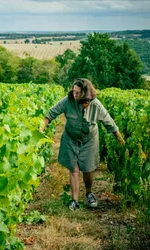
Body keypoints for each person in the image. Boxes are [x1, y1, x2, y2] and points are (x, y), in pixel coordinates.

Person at [40, 78, 125, 210]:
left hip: (89, 139)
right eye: (74, 91)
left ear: (86, 94)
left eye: (78, 92)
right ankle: (74, 200)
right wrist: (41, 129)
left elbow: (110, 123)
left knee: (88, 168)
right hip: (70, 138)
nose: (74, 94)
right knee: (73, 168)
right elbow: (51, 114)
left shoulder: (96, 105)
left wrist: (121, 142)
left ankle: (89, 193)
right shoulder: (68, 100)